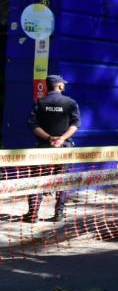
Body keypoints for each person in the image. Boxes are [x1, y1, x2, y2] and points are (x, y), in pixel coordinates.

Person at [24, 74, 81, 223]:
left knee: (37, 180)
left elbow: (32, 125)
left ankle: (33, 214)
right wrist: (61, 139)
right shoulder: (70, 103)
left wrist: (49, 138)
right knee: (62, 180)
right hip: (63, 149)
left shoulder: (40, 102)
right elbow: (75, 124)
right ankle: (59, 214)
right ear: (60, 86)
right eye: (64, 84)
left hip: (43, 149)